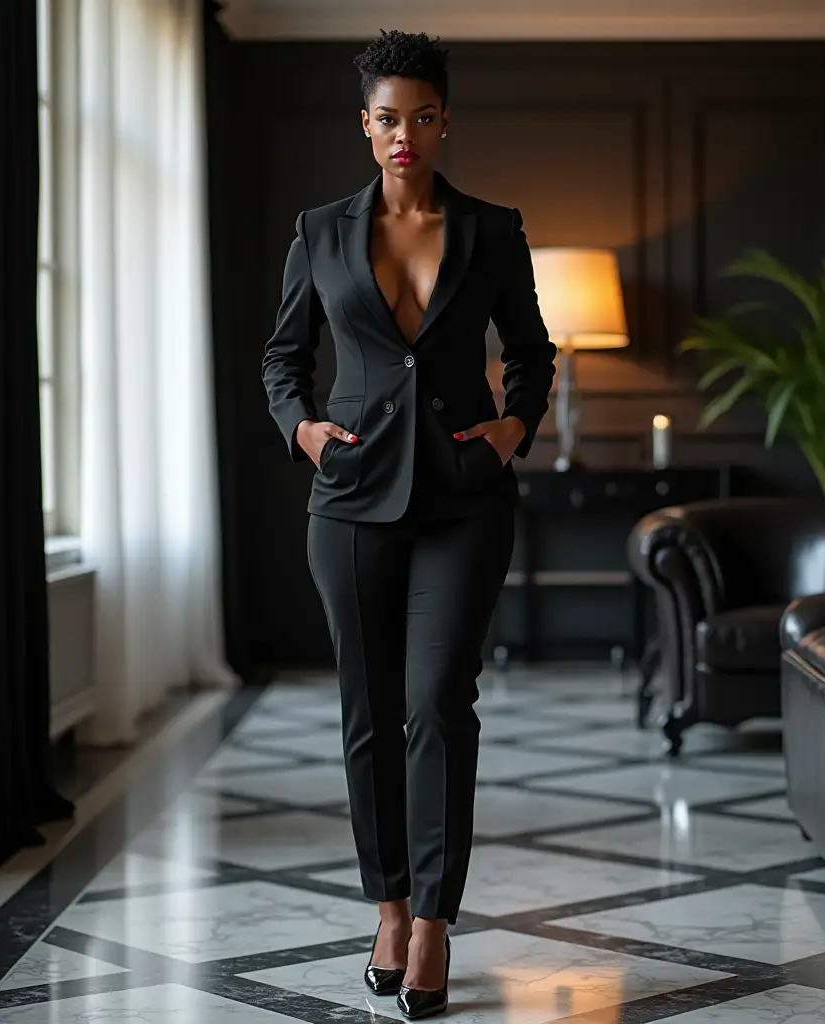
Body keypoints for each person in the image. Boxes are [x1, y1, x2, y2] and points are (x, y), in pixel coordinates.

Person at [261, 28, 556, 1020]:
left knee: (438, 702)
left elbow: (531, 353)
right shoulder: (319, 231)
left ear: (443, 122)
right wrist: (304, 431)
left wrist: (509, 430)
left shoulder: (491, 228)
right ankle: (385, 904)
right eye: (386, 118)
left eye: (421, 117)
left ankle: (433, 919)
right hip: (348, 502)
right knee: (366, 714)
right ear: (365, 124)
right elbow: (281, 359)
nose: (403, 135)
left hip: (463, 501)